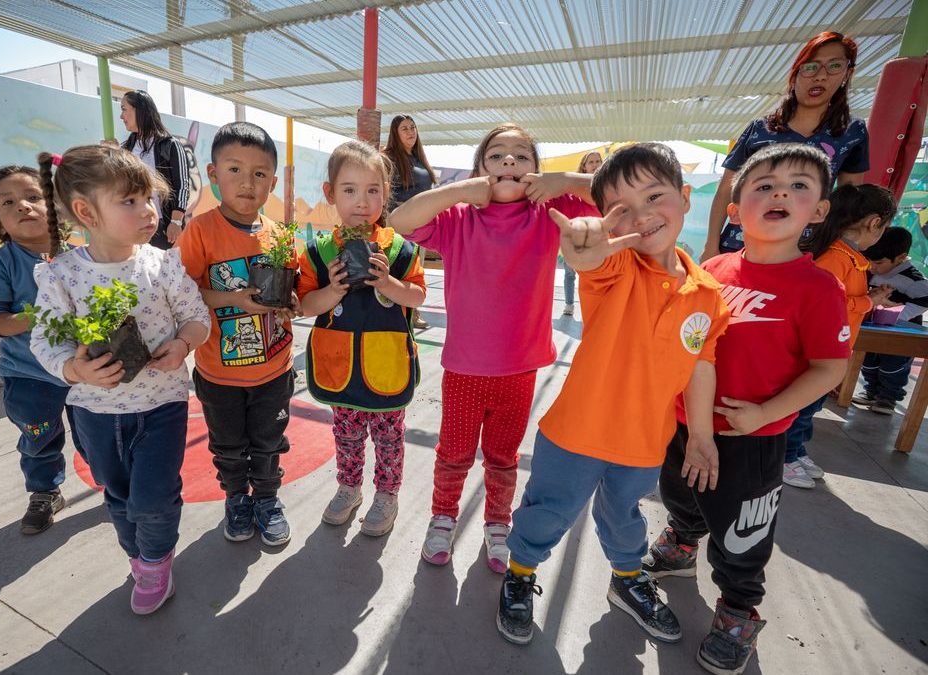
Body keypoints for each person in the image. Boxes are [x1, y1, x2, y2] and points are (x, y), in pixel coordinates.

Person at [496, 143, 729, 646]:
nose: (643, 217)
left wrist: (701, 437)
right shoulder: (617, 268)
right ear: (607, 219)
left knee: (625, 517)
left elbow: (701, 365)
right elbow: (587, 257)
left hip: (645, 442)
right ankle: (519, 573)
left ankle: (627, 582)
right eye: (622, 209)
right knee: (548, 511)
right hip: (575, 433)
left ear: (685, 198)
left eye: (655, 197)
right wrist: (584, 244)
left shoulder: (708, 293)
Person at [643, 144, 850, 675]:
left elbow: (830, 369)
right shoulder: (713, 269)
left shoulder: (820, 288)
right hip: (686, 421)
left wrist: (764, 414)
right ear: (735, 210)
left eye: (798, 185)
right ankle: (682, 542)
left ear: (820, 210)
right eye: (763, 185)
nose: (780, 192)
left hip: (752, 439)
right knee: (680, 492)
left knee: (742, 533)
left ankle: (737, 610)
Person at [390, 123, 595, 573]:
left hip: (520, 372)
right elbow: (398, 220)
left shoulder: (550, 211)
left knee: (503, 459)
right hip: (464, 368)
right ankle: (442, 517)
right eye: (496, 155)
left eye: (521, 157)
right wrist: (463, 190)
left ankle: (497, 524)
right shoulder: (458, 219)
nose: (509, 162)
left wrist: (566, 181)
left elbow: (618, 197)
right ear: (480, 169)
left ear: (536, 175)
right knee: (454, 452)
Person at [30, 144, 210, 615]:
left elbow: (196, 316)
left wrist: (185, 344)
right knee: (118, 494)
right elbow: (45, 343)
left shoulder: (162, 264)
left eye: (148, 198)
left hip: (162, 406)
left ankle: (154, 563)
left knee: (152, 497)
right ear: (86, 212)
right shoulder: (62, 275)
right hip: (94, 411)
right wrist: (75, 369)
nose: (148, 210)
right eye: (129, 201)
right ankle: (137, 553)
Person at [176, 122, 298, 547]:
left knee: (269, 442)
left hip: (274, 371)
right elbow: (183, 292)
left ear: (273, 182)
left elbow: (293, 291)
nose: (247, 182)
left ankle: (266, 499)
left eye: (259, 174)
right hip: (219, 374)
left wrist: (291, 304)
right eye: (234, 170)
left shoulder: (282, 235)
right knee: (227, 446)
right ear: (212, 175)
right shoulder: (201, 231)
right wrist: (233, 300)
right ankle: (235, 499)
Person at [299, 140, 426, 536]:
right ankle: (348, 487)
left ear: (386, 195)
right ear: (330, 193)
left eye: (373, 190)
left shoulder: (401, 250)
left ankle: (387, 495)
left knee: (389, 438)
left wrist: (389, 282)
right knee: (347, 433)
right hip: (340, 369)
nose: (362, 200)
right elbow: (304, 305)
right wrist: (333, 291)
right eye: (350, 189)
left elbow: (419, 295)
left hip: (387, 366)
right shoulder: (318, 252)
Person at [0, 166, 84, 534]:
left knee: (97, 433)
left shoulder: (80, 255)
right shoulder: (1, 262)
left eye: (34, 197)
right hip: (29, 375)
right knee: (38, 437)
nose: (24, 206)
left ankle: (115, 480)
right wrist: (32, 318)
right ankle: (44, 491)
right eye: (9, 203)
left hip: (84, 372)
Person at [702, 32, 868, 262]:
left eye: (834, 66)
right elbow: (726, 191)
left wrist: (838, 253)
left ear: (847, 73)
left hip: (805, 250)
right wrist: (711, 245)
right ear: (796, 73)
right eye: (811, 67)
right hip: (740, 245)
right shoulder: (761, 128)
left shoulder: (851, 131)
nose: (820, 76)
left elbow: (848, 198)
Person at [782, 183, 893, 488]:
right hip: (817, 353)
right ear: (874, 223)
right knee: (801, 407)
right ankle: (786, 457)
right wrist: (868, 302)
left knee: (811, 407)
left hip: (830, 351)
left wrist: (868, 298)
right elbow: (826, 301)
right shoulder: (836, 257)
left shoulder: (849, 257)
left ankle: (795, 451)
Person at [855, 226, 928, 414]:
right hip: (875, 326)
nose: (873, 266)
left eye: (878, 262)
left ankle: (888, 398)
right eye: (870, 261)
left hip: (902, 333)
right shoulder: (872, 271)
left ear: (901, 258)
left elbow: (925, 299)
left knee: (893, 367)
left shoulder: (914, 279)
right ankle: (871, 391)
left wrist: (897, 312)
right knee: (869, 361)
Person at [383, 114, 437, 329]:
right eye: (404, 128)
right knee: (396, 268)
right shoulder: (388, 158)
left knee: (415, 270)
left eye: (413, 127)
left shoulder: (419, 158)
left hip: (421, 225)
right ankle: (394, 312)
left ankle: (413, 312)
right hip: (397, 225)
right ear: (395, 133)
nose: (410, 132)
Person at [120, 90, 189, 250]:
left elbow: (183, 185)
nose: (121, 116)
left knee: (166, 272)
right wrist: (109, 153)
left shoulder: (170, 145)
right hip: (134, 225)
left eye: (124, 109)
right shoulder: (125, 148)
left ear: (140, 110)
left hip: (163, 227)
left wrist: (176, 221)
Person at [563, 151, 604, 316]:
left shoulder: (608, 191)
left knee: (595, 279)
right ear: (584, 167)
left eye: (598, 161)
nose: (595, 164)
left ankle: (596, 309)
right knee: (570, 275)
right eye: (591, 162)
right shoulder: (574, 192)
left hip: (598, 244)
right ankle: (569, 305)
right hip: (576, 242)